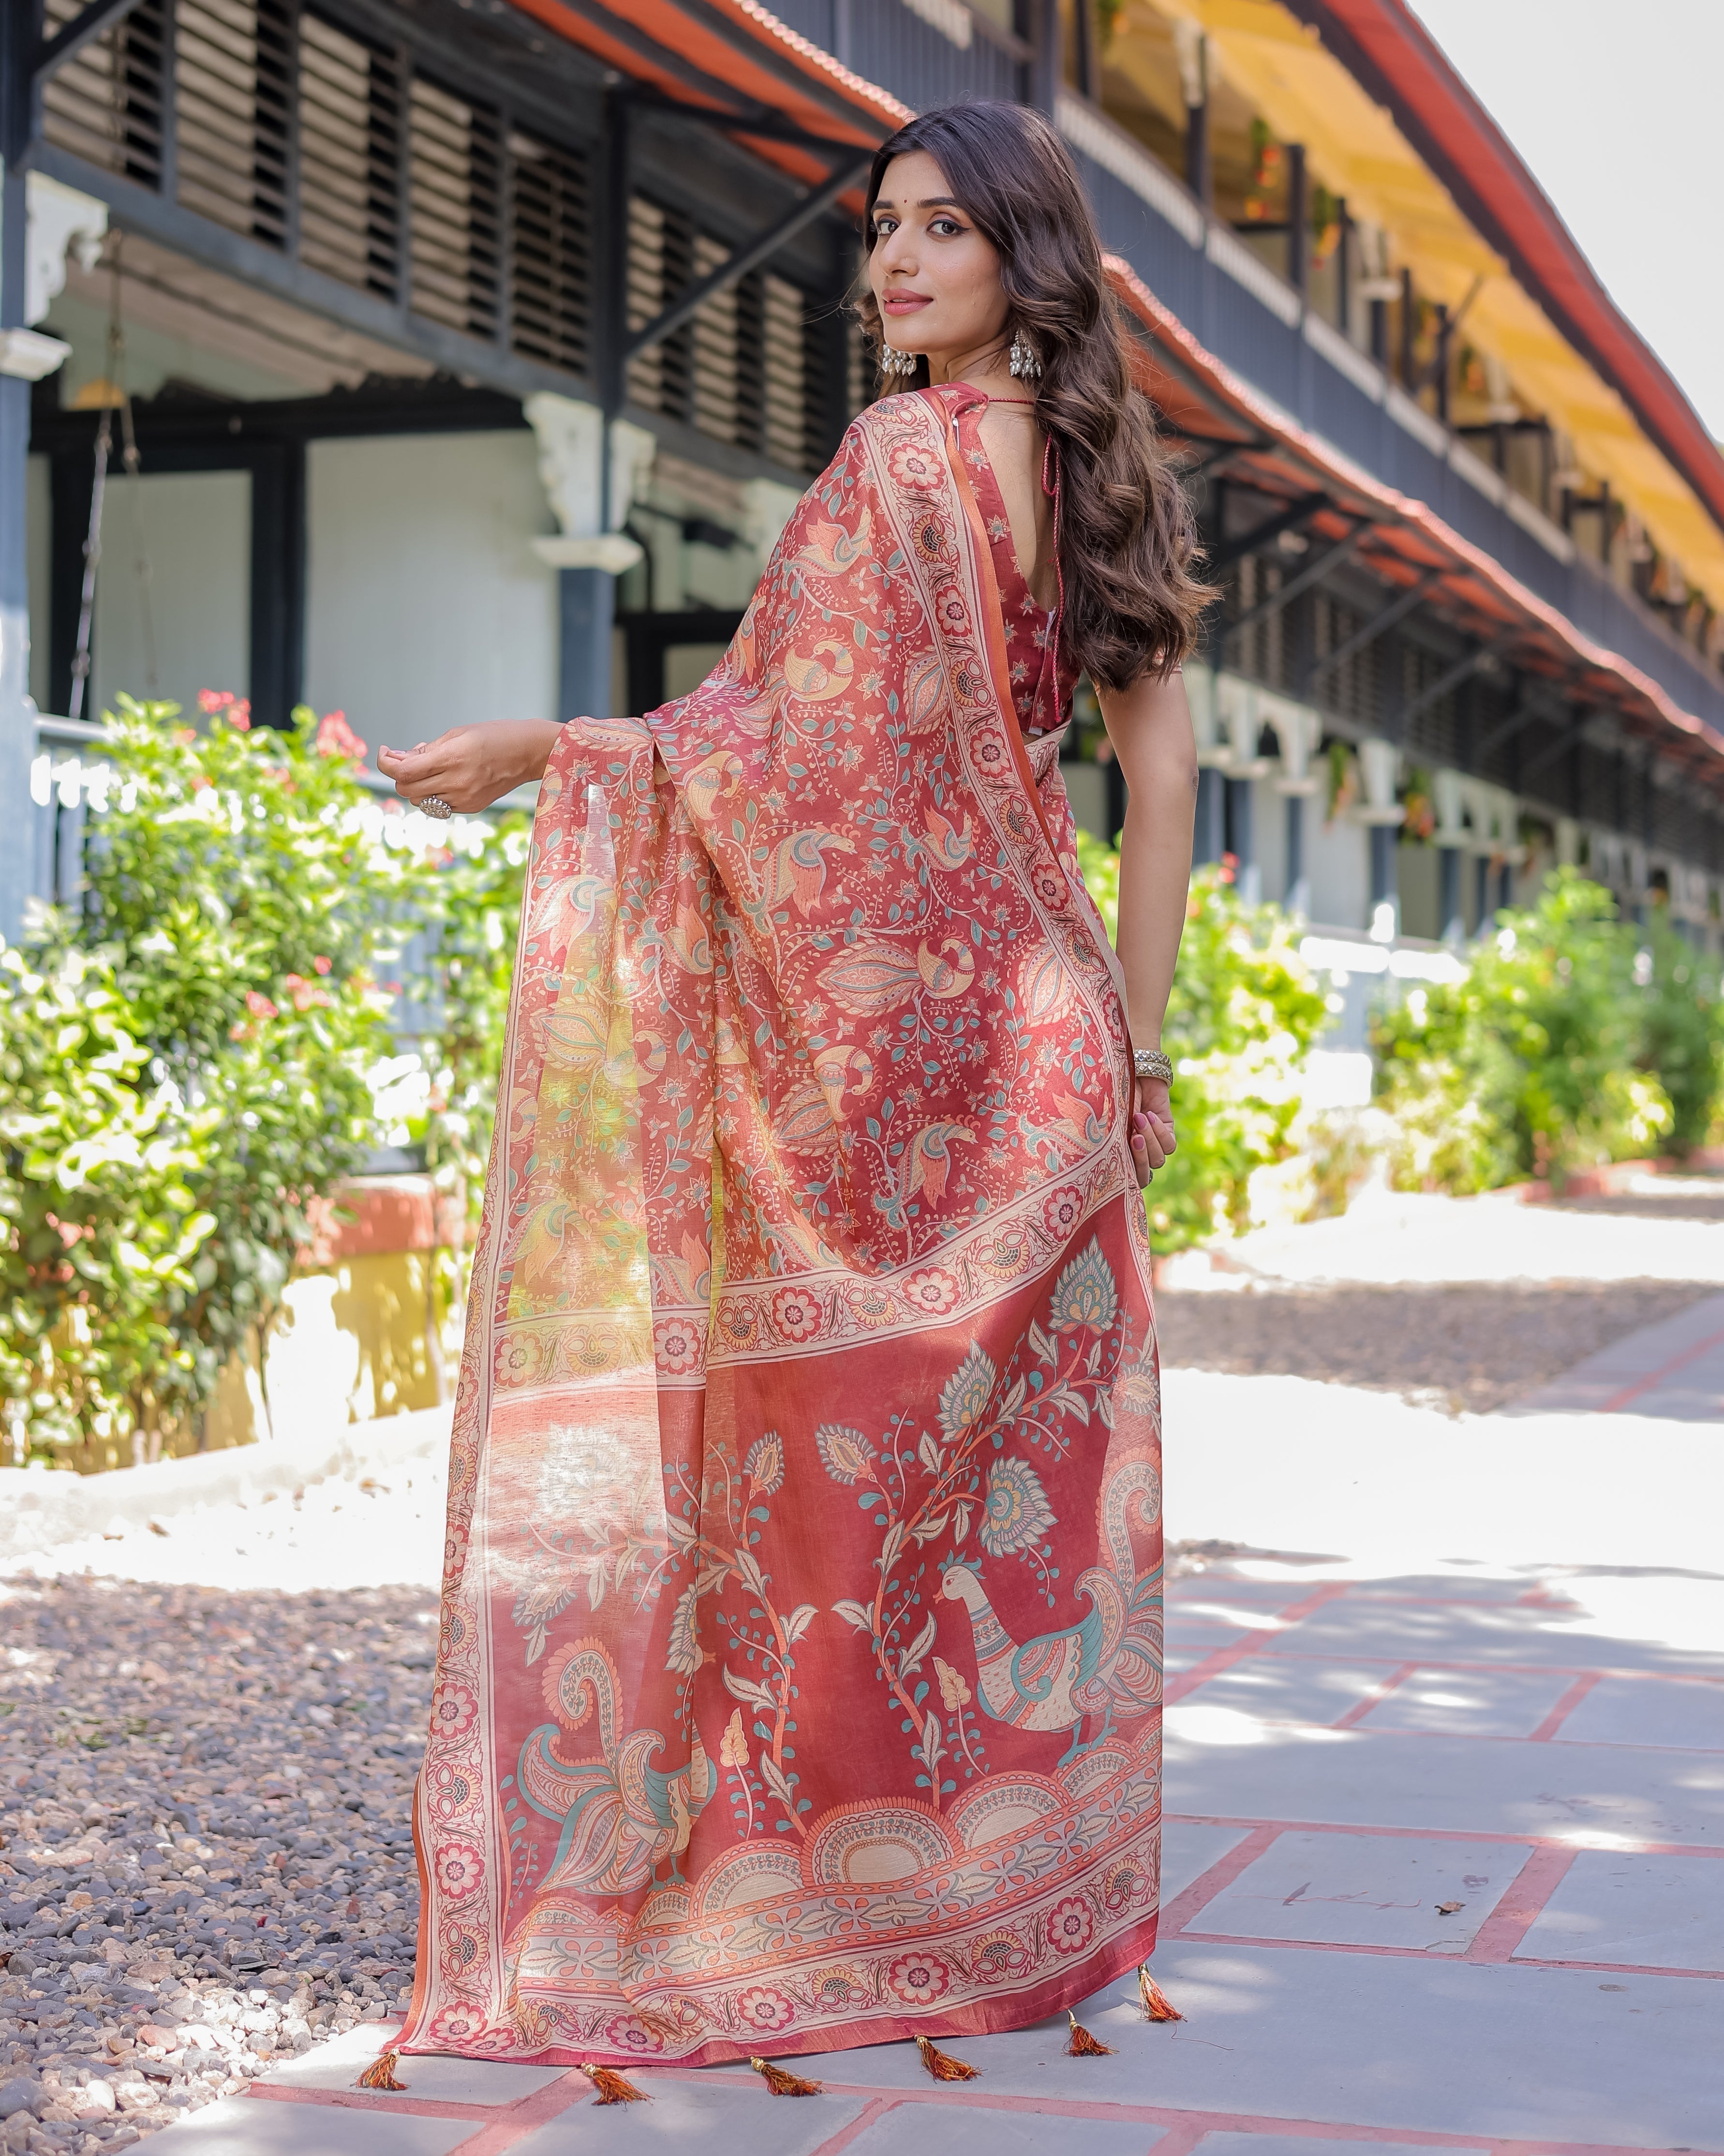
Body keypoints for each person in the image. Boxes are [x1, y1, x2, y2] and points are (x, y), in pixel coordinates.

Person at [378, 99, 1207, 2078]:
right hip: (1041, 1045)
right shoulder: (1098, 475)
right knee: (991, 1494)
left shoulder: (899, 462)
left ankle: (820, 1891)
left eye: (943, 228)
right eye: (881, 230)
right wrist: (1142, 1041)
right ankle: (983, 1893)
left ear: (1028, 250)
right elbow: (1163, 780)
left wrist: (546, 750)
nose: (897, 263)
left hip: (880, 1064)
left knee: (820, 1488)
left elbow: (761, 752)